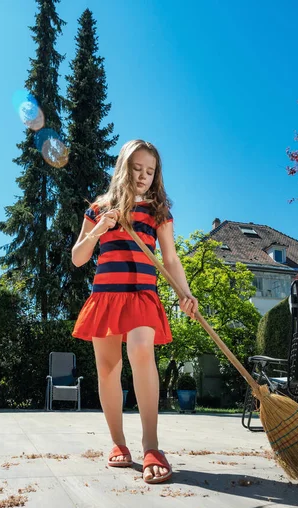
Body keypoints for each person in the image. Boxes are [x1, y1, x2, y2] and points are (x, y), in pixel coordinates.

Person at [71, 139, 198, 484]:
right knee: (108, 368)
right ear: (123, 168)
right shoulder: (99, 207)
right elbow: (78, 257)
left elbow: (170, 258)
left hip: (142, 294)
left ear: (156, 175)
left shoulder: (158, 211)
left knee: (142, 350)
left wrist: (185, 293)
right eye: (137, 168)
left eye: (150, 170)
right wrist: (100, 228)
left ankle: (151, 445)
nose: (143, 176)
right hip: (106, 297)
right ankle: (117, 443)